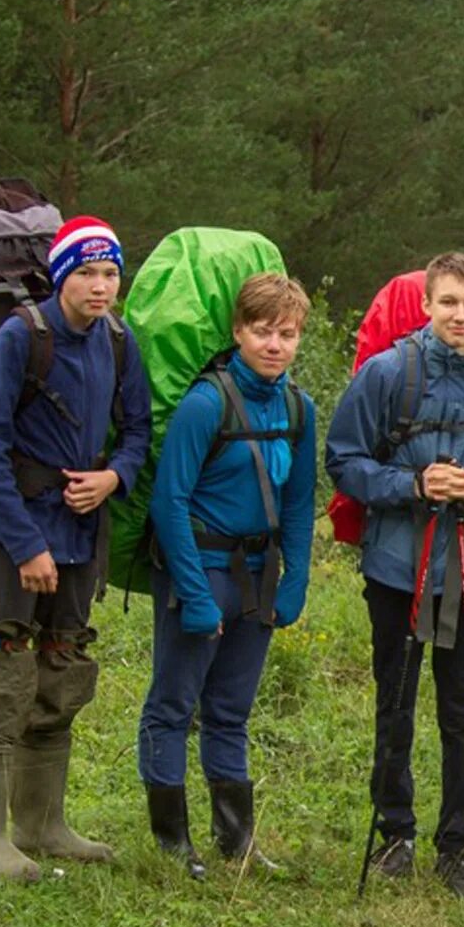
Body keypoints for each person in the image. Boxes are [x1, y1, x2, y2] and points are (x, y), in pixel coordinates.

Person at [325, 253, 464, 900]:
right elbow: (344, 460)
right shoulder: (389, 371)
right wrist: (413, 485)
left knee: (461, 710)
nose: (461, 317)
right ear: (426, 304)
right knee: (395, 704)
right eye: (449, 303)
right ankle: (395, 834)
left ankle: (456, 849)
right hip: (396, 566)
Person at [0, 215, 154, 881]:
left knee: (62, 669)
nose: (102, 287)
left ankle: (42, 825)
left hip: (80, 534)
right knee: (3, 672)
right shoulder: (22, 337)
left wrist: (113, 477)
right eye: (89, 273)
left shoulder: (121, 343)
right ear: (64, 275)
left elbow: (137, 432)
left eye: (110, 274)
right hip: (16, 532)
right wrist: (24, 543)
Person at [138, 272, 317, 878]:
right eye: (262, 331)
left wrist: (296, 578)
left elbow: (297, 501)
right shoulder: (205, 404)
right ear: (238, 331)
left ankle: (235, 840)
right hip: (201, 570)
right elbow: (170, 502)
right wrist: (191, 593)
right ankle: (172, 842)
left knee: (231, 710)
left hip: (258, 577)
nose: (274, 345)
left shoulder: (299, 408)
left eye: (287, 334)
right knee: (173, 704)